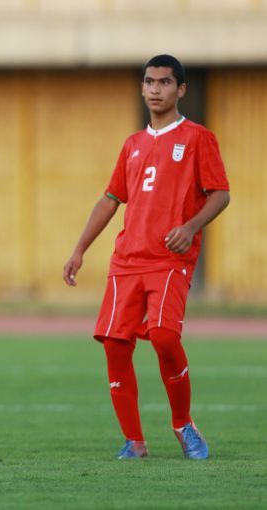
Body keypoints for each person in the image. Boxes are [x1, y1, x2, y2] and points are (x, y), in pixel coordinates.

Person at [63, 54, 230, 460]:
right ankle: (134, 441)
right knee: (114, 345)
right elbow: (110, 199)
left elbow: (221, 194)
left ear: (181, 89)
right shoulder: (133, 145)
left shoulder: (197, 138)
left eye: (165, 82)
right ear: (142, 88)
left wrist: (190, 227)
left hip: (169, 259)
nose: (156, 89)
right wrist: (80, 249)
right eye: (149, 82)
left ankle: (183, 424)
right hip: (127, 260)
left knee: (164, 337)